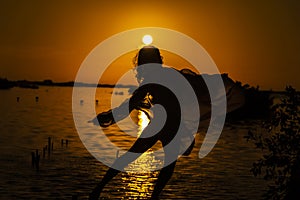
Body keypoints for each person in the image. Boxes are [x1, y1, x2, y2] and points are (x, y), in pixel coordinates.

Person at [89, 46, 244, 199]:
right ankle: (149, 196)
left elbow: (129, 106)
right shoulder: (165, 76)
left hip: (166, 125)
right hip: (171, 125)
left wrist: (108, 117)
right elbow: (131, 105)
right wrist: (109, 117)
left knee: (135, 157)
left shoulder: (154, 80)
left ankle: (99, 189)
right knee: (163, 165)